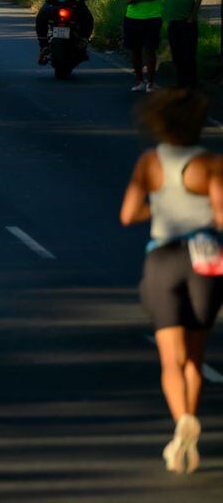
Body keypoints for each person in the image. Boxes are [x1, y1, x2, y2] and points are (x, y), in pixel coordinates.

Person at [118, 88, 223, 475]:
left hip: (163, 258)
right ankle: (190, 418)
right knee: (195, 354)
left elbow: (128, 214)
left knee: (170, 357)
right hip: (205, 258)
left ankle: (182, 423)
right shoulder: (212, 164)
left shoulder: (150, 161)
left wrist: (161, 206)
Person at [164, 0, 206, 89]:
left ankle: (191, 84)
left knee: (189, 55)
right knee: (177, 55)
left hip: (188, 23)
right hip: (173, 22)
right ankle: (181, 83)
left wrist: (193, 16)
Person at [127, 0, 166, 93]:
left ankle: (150, 82)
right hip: (133, 17)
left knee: (150, 50)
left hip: (152, 17)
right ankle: (139, 80)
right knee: (135, 50)